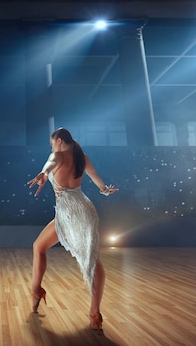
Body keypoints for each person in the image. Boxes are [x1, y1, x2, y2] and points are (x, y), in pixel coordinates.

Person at [27, 128, 118, 331]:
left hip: (69, 214)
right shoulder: (82, 157)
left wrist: (44, 172)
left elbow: (50, 163)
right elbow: (98, 181)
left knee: (39, 248)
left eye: (52, 143)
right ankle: (95, 314)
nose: (51, 147)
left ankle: (35, 292)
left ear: (59, 141)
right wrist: (105, 191)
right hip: (86, 210)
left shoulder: (57, 155)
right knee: (92, 260)